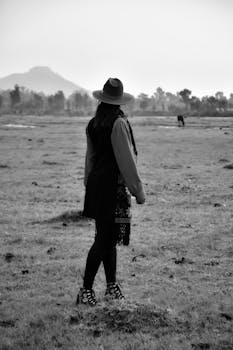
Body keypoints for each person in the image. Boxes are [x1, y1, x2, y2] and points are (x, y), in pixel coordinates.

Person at [76, 78, 146, 306]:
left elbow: (90, 159)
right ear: (119, 102)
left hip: (97, 187)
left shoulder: (93, 123)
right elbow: (126, 161)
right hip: (113, 190)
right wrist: (138, 191)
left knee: (108, 238)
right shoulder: (118, 124)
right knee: (105, 239)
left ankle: (111, 287)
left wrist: (89, 185)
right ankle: (85, 290)